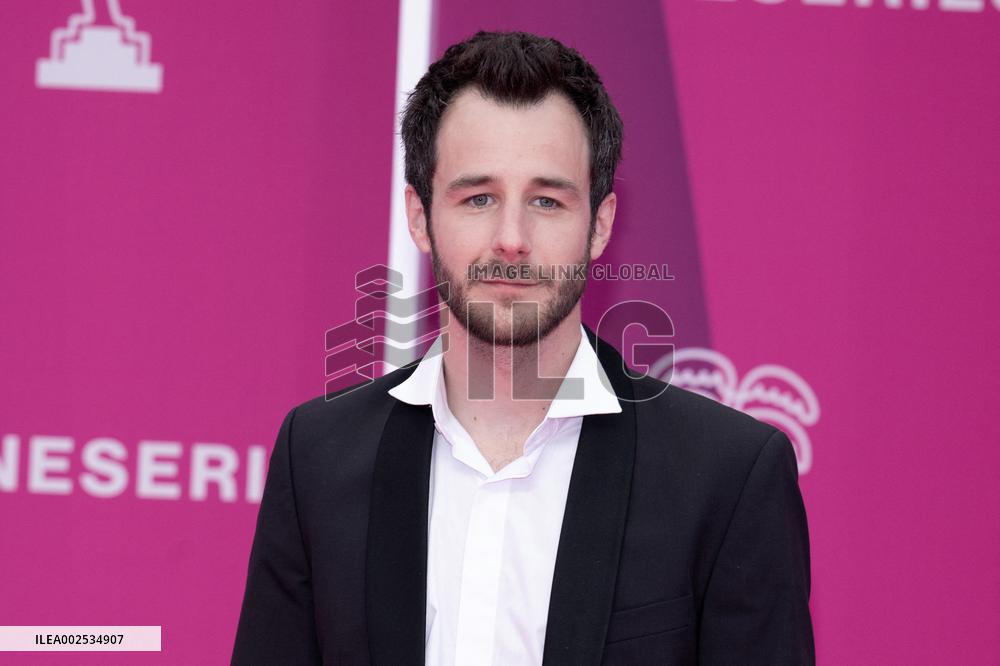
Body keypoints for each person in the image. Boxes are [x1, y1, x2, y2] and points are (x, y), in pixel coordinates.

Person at [231, 30, 814, 665]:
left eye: (546, 200)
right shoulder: (317, 458)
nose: (512, 239)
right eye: (478, 198)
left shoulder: (727, 477)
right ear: (421, 218)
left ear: (601, 224)